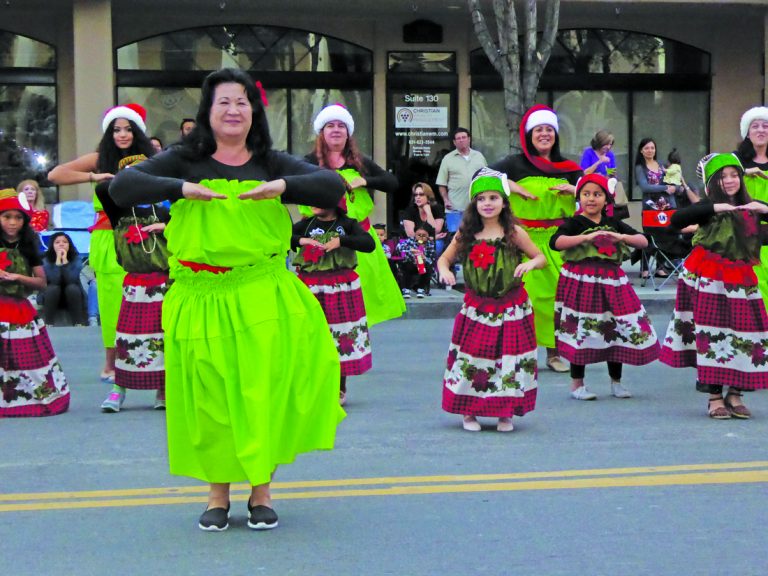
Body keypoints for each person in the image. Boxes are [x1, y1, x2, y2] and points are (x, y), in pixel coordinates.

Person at [109, 68, 346, 532]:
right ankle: (218, 494)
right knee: (211, 399)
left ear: (253, 111)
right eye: (224, 102)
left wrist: (283, 187)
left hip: (263, 292)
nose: (234, 110)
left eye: (242, 101)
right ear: (208, 111)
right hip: (201, 297)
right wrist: (180, 188)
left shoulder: (271, 162)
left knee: (262, 393)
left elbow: (331, 187)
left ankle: (261, 490)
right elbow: (121, 189)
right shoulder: (183, 159)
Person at [48, 103, 153, 384]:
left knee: (150, 300)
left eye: (128, 129)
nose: (122, 134)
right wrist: (94, 176)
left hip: (145, 236)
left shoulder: (150, 159)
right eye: (116, 129)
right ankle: (111, 363)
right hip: (108, 238)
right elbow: (55, 175)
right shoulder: (99, 159)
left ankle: (153, 363)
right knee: (110, 301)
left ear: (137, 132)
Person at [660, 153, 768, 419]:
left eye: (734, 175)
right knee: (711, 335)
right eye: (722, 177)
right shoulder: (707, 208)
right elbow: (676, 221)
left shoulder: (752, 206)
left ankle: (736, 394)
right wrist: (714, 208)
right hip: (708, 276)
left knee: (745, 334)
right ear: (711, 183)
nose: (729, 181)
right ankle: (715, 397)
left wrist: (764, 209)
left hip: (741, 278)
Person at [438, 168, 546, 432]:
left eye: (493, 198)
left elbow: (540, 257)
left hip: (511, 306)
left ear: (504, 202)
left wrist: (530, 264)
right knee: (474, 358)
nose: (487, 203)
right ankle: (469, 412)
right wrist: (444, 271)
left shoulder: (515, 233)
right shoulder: (465, 234)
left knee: (508, 359)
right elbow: (444, 259)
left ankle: (504, 413)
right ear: (474, 203)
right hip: (478, 307)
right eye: (482, 198)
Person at [489, 104, 583, 373]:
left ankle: (554, 353)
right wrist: (511, 185)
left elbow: (598, 192)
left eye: (549, 130)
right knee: (520, 297)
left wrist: (575, 189)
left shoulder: (568, 167)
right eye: (538, 130)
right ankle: (517, 352)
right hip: (522, 240)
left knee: (557, 299)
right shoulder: (514, 164)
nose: (544, 134)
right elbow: (482, 177)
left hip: (558, 241)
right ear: (529, 135)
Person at [550, 174, 660, 400]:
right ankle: (577, 384)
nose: (591, 199)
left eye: (597, 194)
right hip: (581, 280)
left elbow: (643, 241)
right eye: (586, 194)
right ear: (579, 197)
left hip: (611, 282)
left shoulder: (613, 223)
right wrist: (586, 239)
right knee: (581, 329)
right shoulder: (575, 222)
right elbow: (556, 242)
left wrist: (618, 236)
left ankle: (616, 382)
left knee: (615, 327)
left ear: (606, 199)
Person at [303, 103, 405, 326]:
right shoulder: (309, 162)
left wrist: (365, 180)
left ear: (348, 133)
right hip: (322, 244)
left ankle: (354, 350)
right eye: (330, 125)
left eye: (341, 125)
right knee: (324, 310)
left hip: (359, 243)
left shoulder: (358, 162)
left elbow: (391, 182)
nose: (336, 130)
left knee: (359, 309)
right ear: (322, 132)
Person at [95, 154, 171, 413]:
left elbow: (185, 230)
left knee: (162, 338)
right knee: (127, 337)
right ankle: (118, 389)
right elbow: (101, 189)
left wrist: (166, 228)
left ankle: (163, 390)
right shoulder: (118, 210)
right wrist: (125, 177)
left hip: (163, 282)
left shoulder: (163, 211)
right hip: (134, 284)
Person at [291, 199, 375, 406]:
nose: (312, 202)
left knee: (340, 336)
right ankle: (313, 384)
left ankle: (339, 386)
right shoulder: (306, 225)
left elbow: (368, 244)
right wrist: (303, 241)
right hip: (310, 285)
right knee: (310, 335)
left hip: (339, 285)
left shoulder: (347, 225)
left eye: (319, 197)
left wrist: (342, 241)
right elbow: (282, 237)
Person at [0, 188, 69, 417]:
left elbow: (41, 282)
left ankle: (27, 399)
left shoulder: (29, 246)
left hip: (19, 309)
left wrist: (17, 277)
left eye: (18, 218)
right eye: (7, 217)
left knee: (26, 360)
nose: (12, 223)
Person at [634, 137, 686, 279]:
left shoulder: (662, 164)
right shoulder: (640, 167)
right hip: (650, 207)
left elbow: (673, 181)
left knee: (666, 235)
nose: (650, 150)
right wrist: (665, 188)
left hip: (667, 206)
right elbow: (645, 187)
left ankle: (660, 267)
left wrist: (676, 187)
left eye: (652, 148)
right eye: (646, 148)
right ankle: (644, 268)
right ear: (641, 150)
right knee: (650, 235)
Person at [735, 106, 768, 310]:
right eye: (755, 126)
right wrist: (743, 172)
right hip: (744, 237)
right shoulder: (735, 160)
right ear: (747, 132)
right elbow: (708, 176)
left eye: (766, 126)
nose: (761, 130)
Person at [436, 127, 487, 232]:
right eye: (458, 138)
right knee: (456, 238)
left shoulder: (479, 156)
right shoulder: (448, 159)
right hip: (455, 208)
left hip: (477, 206)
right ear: (454, 142)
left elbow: (486, 177)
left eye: (464, 137)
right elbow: (442, 183)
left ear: (469, 139)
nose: (461, 140)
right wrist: (446, 200)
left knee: (477, 236)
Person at [40, 232, 86, 326]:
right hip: (50, 297)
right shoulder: (45, 260)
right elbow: (54, 280)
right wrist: (58, 260)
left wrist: (65, 261)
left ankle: (78, 323)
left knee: (72, 287)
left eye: (65, 242)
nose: (61, 244)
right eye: (57, 242)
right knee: (53, 288)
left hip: (72, 297)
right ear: (52, 246)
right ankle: (48, 323)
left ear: (69, 245)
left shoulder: (76, 259)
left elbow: (72, 279)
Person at [397, 224, 436, 298]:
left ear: (428, 236)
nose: (421, 237)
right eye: (418, 235)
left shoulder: (430, 244)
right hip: (411, 263)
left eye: (424, 235)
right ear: (415, 234)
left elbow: (432, 259)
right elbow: (399, 248)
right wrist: (410, 251)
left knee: (427, 267)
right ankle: (406, 289)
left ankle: (420, 288)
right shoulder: (410, 240)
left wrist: (425, 258)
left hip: (422, 265)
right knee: (406, 265)